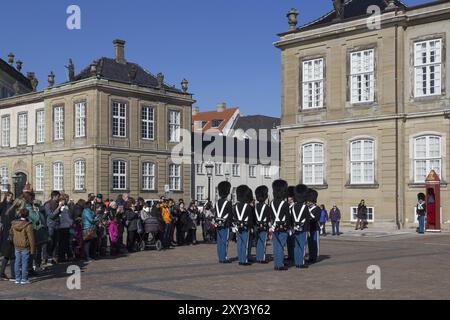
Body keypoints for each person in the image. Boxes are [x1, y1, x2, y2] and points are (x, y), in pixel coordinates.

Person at [270, 179, 291, 271]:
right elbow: (288, 217)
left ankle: (276, 264)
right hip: (283, 227)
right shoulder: (284, 203)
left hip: (274, 226)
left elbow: (270, 216)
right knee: (281, 246)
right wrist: (289, 227)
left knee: (276, 246)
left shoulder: (271, 203)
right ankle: (280, 264)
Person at [10, 208, 36, 284]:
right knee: (25, 263)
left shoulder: (14, 223)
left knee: (17, 262)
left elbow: (11, 233)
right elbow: (31, 238)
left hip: (16, 245)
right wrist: (33, 249)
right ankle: (24, 279)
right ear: (27, 215)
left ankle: (17, 278)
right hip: (25, 246)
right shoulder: (28, 225)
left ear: (20, 214)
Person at [232, 185, 254, 266]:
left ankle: (240, 259)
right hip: (246, 227)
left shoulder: (235, 206)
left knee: (239, 243)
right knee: (245, 243)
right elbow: (250, 219)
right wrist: (251, 227)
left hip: (238, 226)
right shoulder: (248, 207)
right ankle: (244, 260)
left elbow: (234, 217)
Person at [214, 181, 233, 264]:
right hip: (225, 224)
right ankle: (224, 258)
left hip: (218, 224)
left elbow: (216, 213)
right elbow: (230, 215)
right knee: (224, 241)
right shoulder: (228, 203)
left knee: (219, 241)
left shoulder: (217, 202)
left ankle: (220, 257)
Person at [291, 184, 309, 269]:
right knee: (302, 245)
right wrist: (308, 230)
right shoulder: (305, 207)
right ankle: (300, 263)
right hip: (303, 228)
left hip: (295, 228)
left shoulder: (293, 207)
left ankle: (296, 261)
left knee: (296, 245)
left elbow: (291, 218)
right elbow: (307, 219)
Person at [0, 193, 17, 281]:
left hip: (13, 230)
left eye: (11, 196)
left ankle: (7, 274)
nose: (10, 198)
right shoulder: (2, 205)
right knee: (9, 254)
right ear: (6, 197)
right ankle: (7, 274)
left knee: (11, 254)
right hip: (6, 231)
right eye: (8, 196)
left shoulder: (14, 206)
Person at [254, 186, 271, 264]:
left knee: (258, 242)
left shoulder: (255, 206)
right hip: (264, 226)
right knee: (262, 242)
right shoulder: (267, 207)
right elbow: (268, 218)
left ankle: (258, 257)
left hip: (257, 226)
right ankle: (261, 258)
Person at [43, 191, 61, 265]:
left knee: (56, 243)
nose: (59, 198)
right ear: (54, 196)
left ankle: (54, 258)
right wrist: (59, 208)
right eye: (58, 196)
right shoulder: (48, 204)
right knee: (50, 242)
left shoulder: (56, 204)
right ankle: (46, 258)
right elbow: (51, 215)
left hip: (57, 225)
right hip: (50, 225)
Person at [55, 194, 73, 262]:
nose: (67, 201)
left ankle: (63, 256)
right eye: (66, 199)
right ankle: (63, 256)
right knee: (64, 243)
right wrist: (71, 222)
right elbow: (66, 218)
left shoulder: (64, 207)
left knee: (63, 243)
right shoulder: (63, 207)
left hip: (64, 226)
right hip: (63, 227)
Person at [306, 189, 321, 264]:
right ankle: (311, 257)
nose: (307, 202)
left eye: (308, 201)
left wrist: (308, 213)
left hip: (315, 228)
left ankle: (315, 257)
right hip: (309, 228)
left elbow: (316, 218)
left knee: (315, 243)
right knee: (310, 243)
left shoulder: (317, 209)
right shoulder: (307, 208)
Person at [286, 186, 296, 264]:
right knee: (288, 242)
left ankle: (293, 255)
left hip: (293, 226)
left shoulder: (294, 206)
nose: (288, 199)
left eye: (289, 198)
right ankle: (290, 255)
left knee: (293, 242)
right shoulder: (288, 206)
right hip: (288, 227)